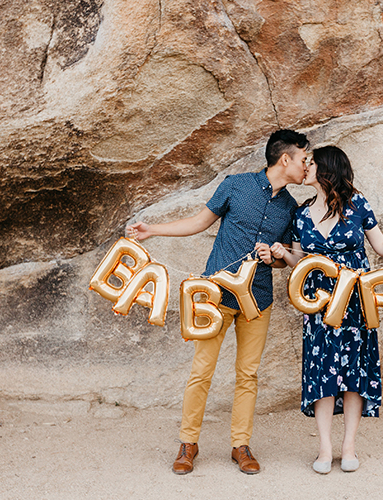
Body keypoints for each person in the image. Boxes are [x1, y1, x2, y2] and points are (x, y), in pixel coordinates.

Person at [126, 130, 309, 475]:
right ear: (285, 159)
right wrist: (153, 230)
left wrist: (277, 254)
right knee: (201, 371)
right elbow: (199, 222)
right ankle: (188, 443)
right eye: (303, 159)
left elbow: (287, 259)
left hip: (258, 299)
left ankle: (241, 445)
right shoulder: (235, 185)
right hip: (215, 296)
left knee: (248, 374)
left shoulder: (290, 207)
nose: (306, 166)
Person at [269, 145, 383, 474]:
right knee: (322, 376)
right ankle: (324, 448)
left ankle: (348, 447)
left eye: (312, 163)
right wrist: (282, 253)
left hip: (356, 306)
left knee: (353, 376)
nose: (306, 167)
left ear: (327, 170)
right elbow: (301, 262)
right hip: (319, 307)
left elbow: (382, 246)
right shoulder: (301, 214)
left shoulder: (356, 205)